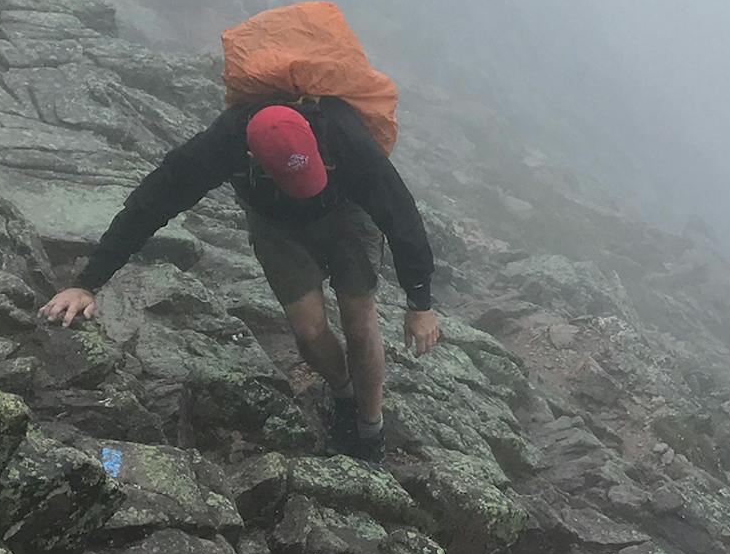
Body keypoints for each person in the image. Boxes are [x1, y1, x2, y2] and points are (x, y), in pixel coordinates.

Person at [38, 97, 439, 462]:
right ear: (251, 158)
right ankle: (344, 394)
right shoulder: (223, 144)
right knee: (308, 330)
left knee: (359, 320)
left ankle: (370, 431)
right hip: (275, 222)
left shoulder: (343, 135)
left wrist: (420, 301)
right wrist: (87, 283)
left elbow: (400, 214)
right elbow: (152, 202)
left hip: (346, 213)